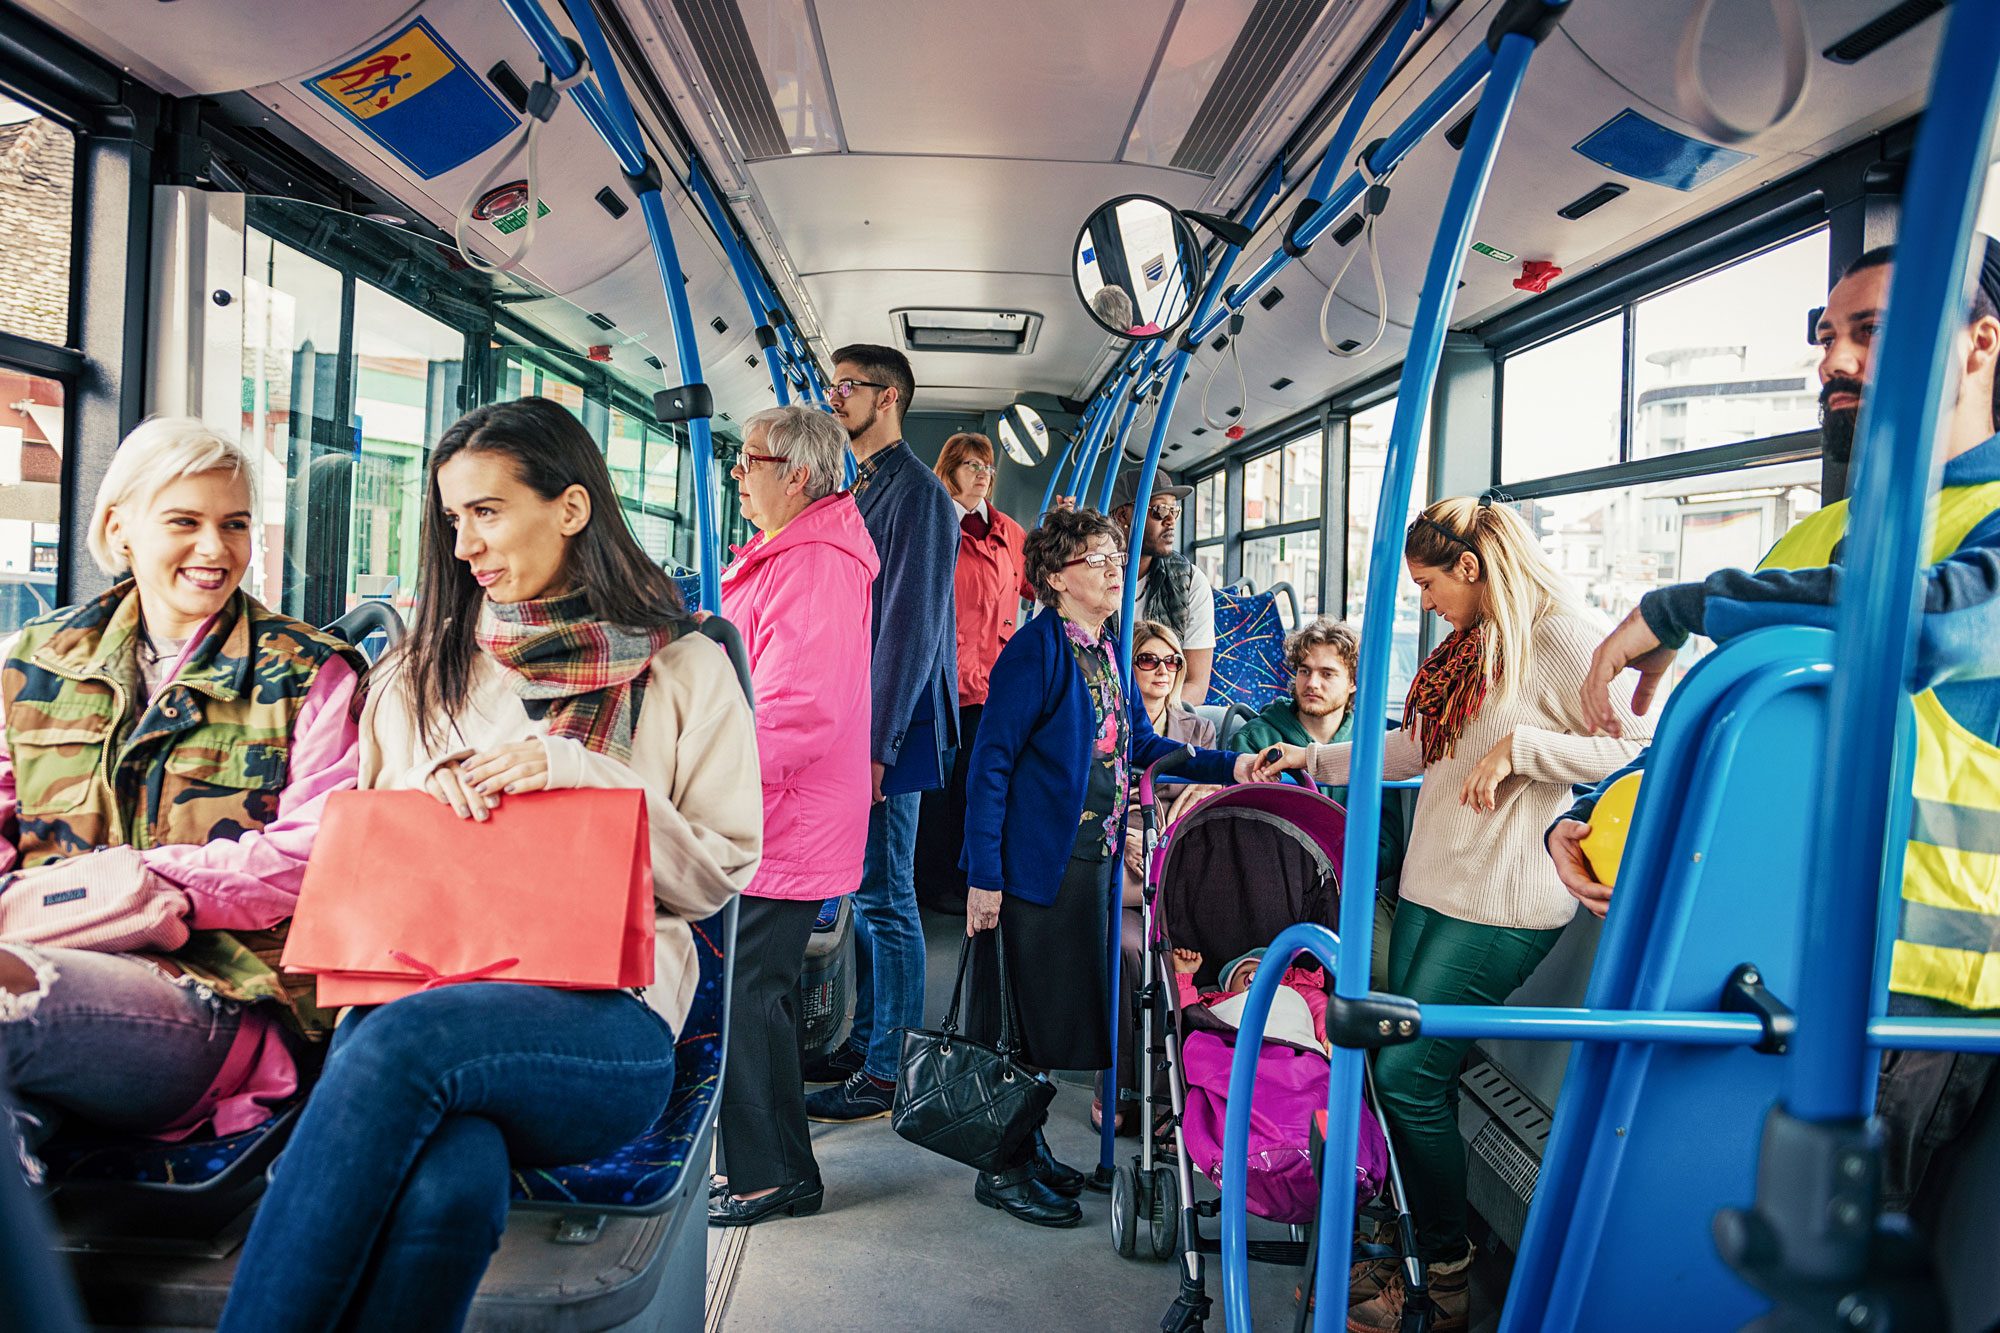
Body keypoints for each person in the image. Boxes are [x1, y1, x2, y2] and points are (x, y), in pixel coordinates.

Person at [217, 399, 760, 1332]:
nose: (464, 542)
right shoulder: (415, 670)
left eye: (488, 511)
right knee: (448, 1186)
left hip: (603, 1022)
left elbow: (715, 876)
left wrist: (583, 774)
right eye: (452, 517)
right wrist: (429, 802)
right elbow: (372, 860)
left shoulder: (684, 666)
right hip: (426, 986)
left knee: (397, 1045)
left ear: (572, 508)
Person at [1554, 237, 2000, 1222]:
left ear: (1977, 345)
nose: (1834, 361)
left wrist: (1681, 605)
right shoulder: (1818, 537)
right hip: (1756, 964)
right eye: (1827, 336)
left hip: (1914, 1002)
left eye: (1872, 331)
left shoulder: (1984, 528)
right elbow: (1730, 735)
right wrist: (1589, 814)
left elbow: (1934, 624)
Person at [1256, 497, 1647, 1331]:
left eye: (1432, 584)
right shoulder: (1470, 648)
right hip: (1437, 885)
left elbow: (1633, 743)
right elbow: (1419, 748)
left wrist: (1526, 750)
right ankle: (1401, 1241)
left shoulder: (1560, 637)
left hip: (1504, 902)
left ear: (1472, 568)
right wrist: (1315, 758)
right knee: (1388, 1068)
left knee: (1409, 1076)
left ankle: (1445, 1271)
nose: (1425, 602)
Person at [0, 418, 363, 1179]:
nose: (215, 549)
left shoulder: (311, 673)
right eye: (185, 522)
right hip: (32, 947)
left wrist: (131, 890)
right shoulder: (34, 658)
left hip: (220, 988)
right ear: (118, 527)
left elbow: (317, 856)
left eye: (234, 524)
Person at [962, 507, 1263, 1227]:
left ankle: (1026, 1148)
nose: (1114, 568)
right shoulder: (1036, 653)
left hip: (1088, 863)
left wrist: (1236, 763)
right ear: (1057, 577)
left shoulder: (1101, 649)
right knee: (1022, 1022)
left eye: (1116, 556)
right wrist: (983, 873)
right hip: (1036, 866)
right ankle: (1000, 1168)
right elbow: (991, 765)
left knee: (1053, 1016)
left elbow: (1145, 744)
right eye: (1099, 558)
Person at [710, 406, 877, 1226]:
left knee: (747, 993)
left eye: (750, 461)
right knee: (756, 991)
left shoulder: (813, 561)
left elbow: (799, 709)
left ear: (799, 474)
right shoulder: (798, 553)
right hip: (779, 809)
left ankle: (773, 1175)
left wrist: (713, 779)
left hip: (783, 814)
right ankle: (774, 1167)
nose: (738, 475)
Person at [804, 345, 959, 1123]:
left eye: (848, 387)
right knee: (865, 893)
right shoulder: (862, 484)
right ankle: (867, 1041)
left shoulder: (920, 496)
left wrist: (880, 744)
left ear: (888, 396)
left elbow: (909, 628)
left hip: (889, 723)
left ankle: (890, 1067)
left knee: (888, 896)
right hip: (858, 718)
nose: (836, 398)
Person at [1232, 617, 1406, 987]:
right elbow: (1237, 828)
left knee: (1385, 974)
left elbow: (1387, 844)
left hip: (1350, 889)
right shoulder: (1258, 737)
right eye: (1304, 671)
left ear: (1353, 682)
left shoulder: (1375, 744)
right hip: (1271, 888)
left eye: (1328, 674)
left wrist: (1341, 868)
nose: (1312, 684)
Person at [1102, 619, 1216, 1134]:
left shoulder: (1198, 730)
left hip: (1174, 851)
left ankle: (1186, 1095)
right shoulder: (1109, 726)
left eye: (1172, 661)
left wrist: (1185, 806)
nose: (1162, 670)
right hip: (1120, 853)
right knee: (1131, 953)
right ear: (1129, 668)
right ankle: (1123, 1088)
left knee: (1194, 947)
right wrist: (1126, 832)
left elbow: (1204, 790)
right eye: (1147, 660)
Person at [915, 432, 1028, 915]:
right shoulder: (934, 526)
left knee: (976, 787)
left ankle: (967, 880)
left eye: (987, 466)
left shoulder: (1010, 533)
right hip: (941, 679)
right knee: (935, 793)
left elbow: (1036, 590)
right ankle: (931, 882)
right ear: (949, 471)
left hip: (992, 682)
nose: (982, 473)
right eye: (971, 465)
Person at [1109, 468, 1216, 704]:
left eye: (1174, 511)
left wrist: (1150, 718)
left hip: (1162, 713)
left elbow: (1196, 684)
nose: (1170, 521)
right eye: (1159, 510)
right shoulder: (1086, 575)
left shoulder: (1189, 582)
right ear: (1122, 516)